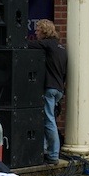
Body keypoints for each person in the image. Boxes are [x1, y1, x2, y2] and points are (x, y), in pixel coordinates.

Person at [28, 19, 67, 165]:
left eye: (38, 30)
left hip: (49, 89)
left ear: (44, 31)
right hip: (58, 89)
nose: (36, 33)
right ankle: (44, 149)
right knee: (49, 120)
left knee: (49, 121)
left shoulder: (48, 44)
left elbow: (28, 44)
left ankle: (53, 155)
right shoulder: (61, 48)